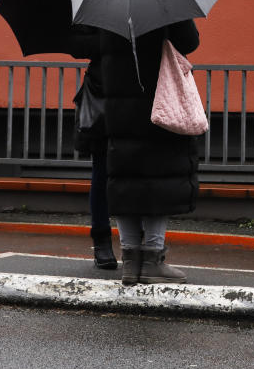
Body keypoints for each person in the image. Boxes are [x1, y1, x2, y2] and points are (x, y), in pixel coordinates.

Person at [80, 20, 201, 285]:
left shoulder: (108, 5)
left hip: (116, 103)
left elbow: (86, 46)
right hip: (156, 100)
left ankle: (130, 260)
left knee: (124, 177)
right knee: (157, 178)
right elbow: (189, 41)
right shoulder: (161, 1)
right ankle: (152, 259)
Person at [66, 27, 116, 270]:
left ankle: (144, 246)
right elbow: (76, 44)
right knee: (102, 170)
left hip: (144, 96)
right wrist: (116, 40)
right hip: (103, 96)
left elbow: (188, 41)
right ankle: (102, 239)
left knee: (142, 171)